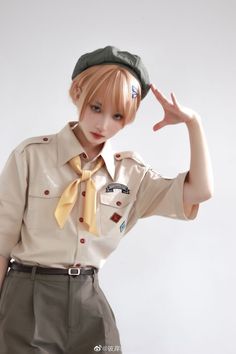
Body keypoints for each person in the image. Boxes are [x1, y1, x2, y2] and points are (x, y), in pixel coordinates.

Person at [0, 45, 214, 354]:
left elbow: (201, 192)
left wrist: (194, 122)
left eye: (117, 115)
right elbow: (1, 243)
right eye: (96, 107)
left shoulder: (131, 174)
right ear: (78, 94)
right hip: (27, 296)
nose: (103, 125)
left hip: (89, 300)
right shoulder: (31, 156)